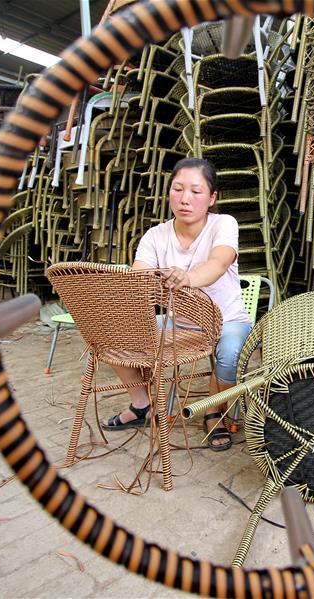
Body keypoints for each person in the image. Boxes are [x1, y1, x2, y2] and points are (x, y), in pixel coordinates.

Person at [100, 157, 252, 451]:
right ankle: (142, 405)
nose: (185, 199)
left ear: (212, 198)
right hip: (178, 324)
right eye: (178, 189)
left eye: (196, 191)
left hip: (227, 320)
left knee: (231, 353)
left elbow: (219, 263)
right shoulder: (155, 236)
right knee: (108, 333)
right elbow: (139, 278)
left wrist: (187, 278)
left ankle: (213, 411)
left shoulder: (224, 224)